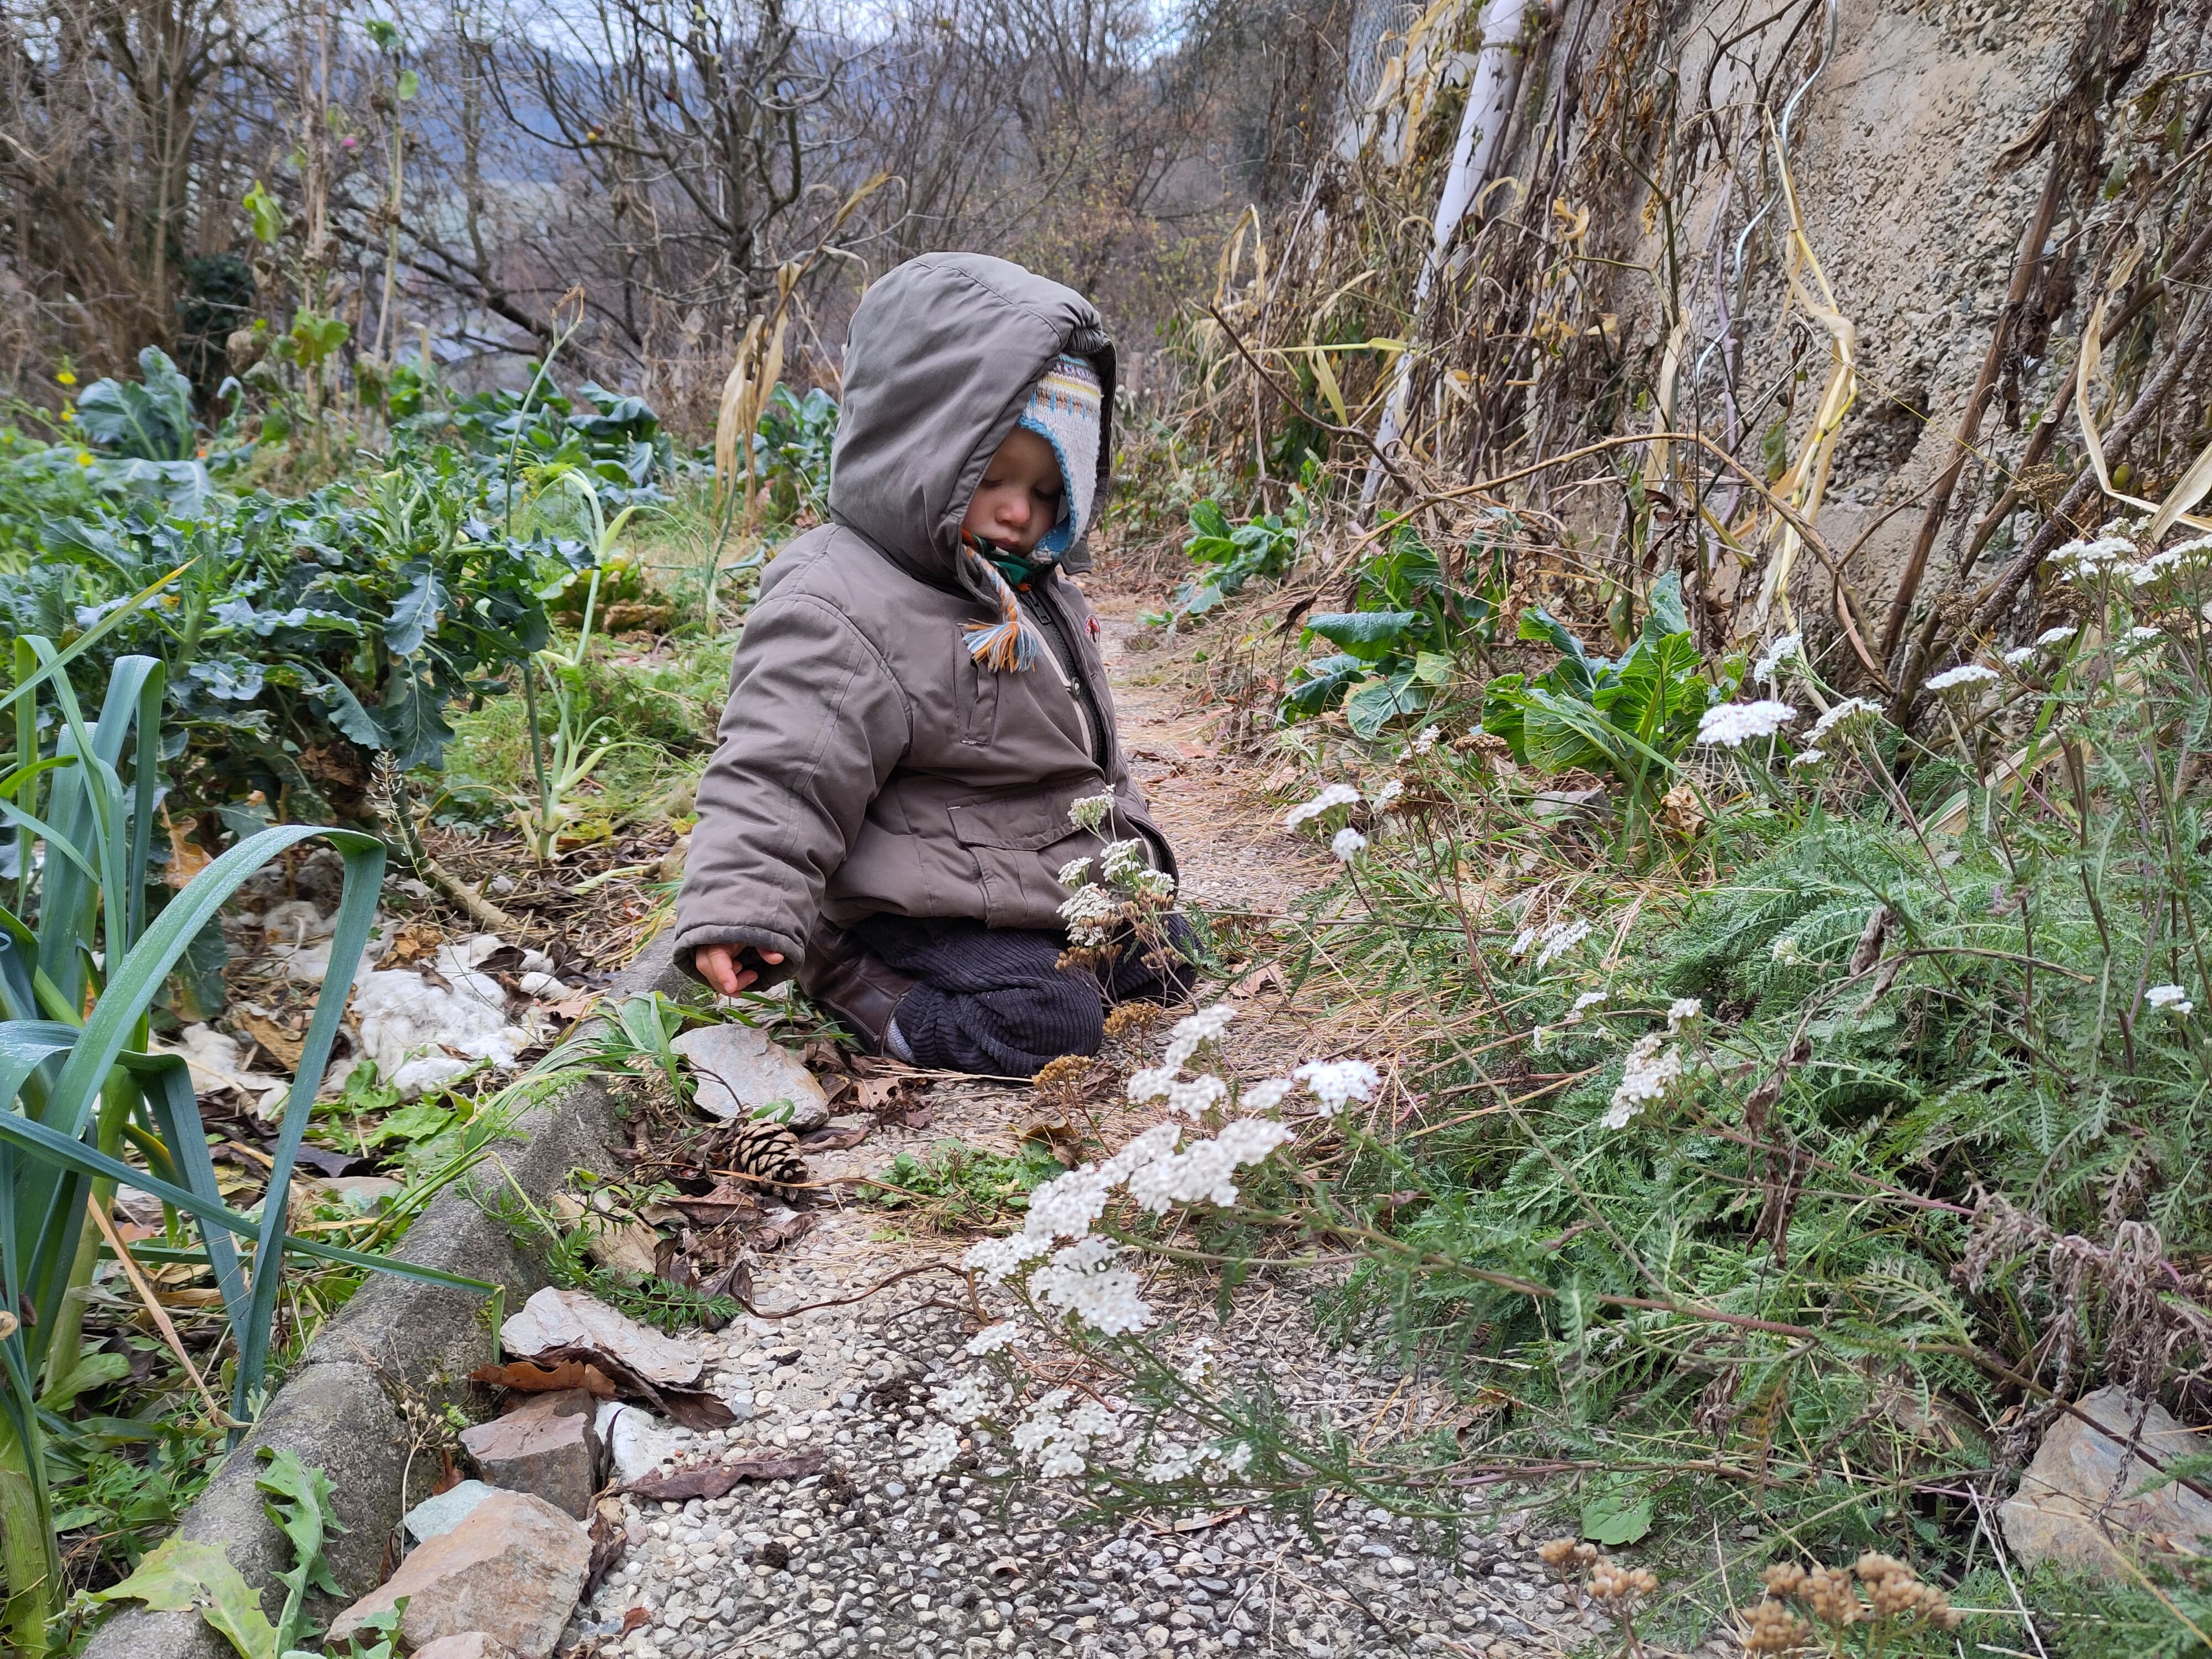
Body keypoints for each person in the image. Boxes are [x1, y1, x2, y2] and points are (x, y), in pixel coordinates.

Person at [672, 252, 1194, 1077]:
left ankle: (1063, 955)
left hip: (1022, 880)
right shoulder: (841, 602)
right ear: (918, 451)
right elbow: (779, 772)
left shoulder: (1028, 587)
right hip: (916, 903)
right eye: (992, 478)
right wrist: (742, 908)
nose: (1021, 513)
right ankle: (852, 978)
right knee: (1050, 1023)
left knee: (1165, 961)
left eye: (1049, 490)